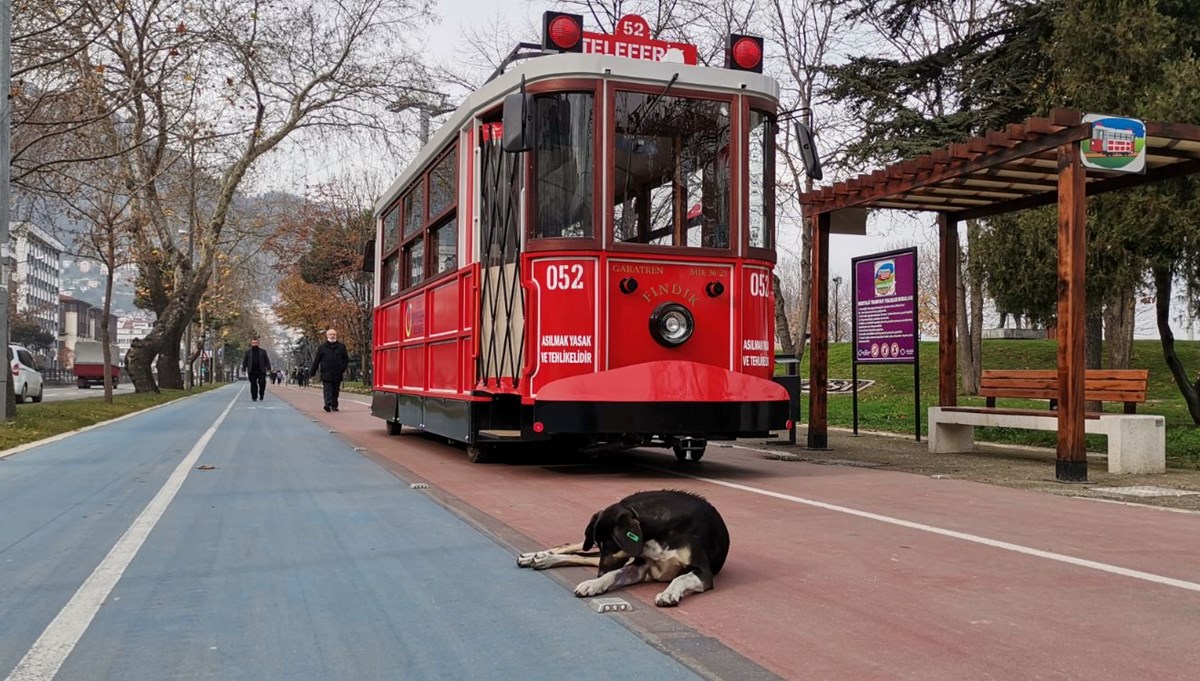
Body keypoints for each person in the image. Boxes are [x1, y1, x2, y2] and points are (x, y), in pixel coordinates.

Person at [310, 328, 349, 412]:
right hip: (326, 373)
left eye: (334, 334)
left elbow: (346, 359)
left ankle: (334, 405)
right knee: (327, 389)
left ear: (336, 335)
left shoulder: (341, 346)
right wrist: (312, 372)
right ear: (327, 336)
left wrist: (342, 368)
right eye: (330, 334)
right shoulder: (322, 347)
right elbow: (317, 360)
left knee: (335, 390)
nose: (332, 336)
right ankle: (327, 404)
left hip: (337, 373)